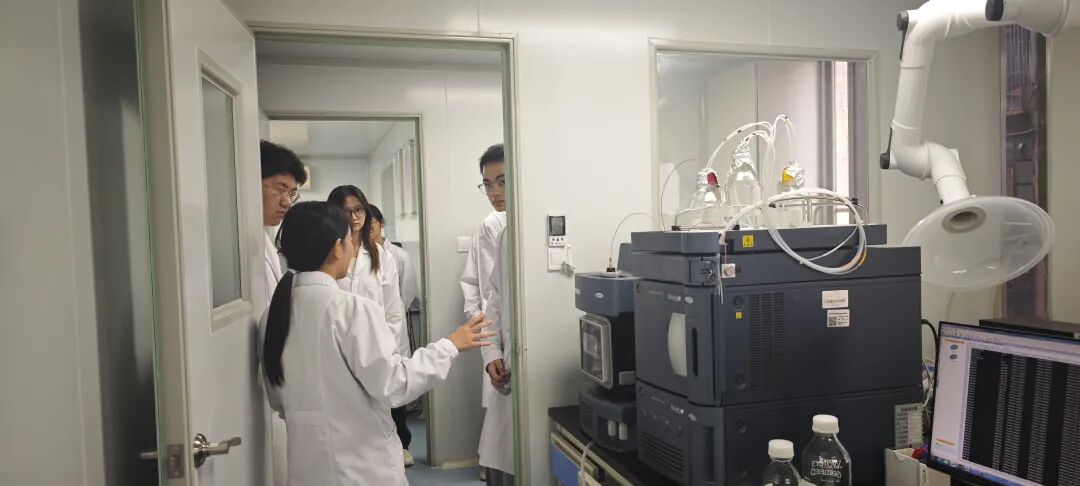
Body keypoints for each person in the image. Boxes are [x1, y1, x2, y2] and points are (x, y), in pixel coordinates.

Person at [258, 201, 492, 486]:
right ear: (336, 248)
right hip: (361, 467)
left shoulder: (273, 315)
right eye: (348, 240)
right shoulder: (350, 309)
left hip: (307, 467)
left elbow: (277, 399)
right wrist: (450, 346)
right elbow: (394, 385)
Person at [326, 185, 415, 467]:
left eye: (358, 210)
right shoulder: (327, 252)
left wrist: (388, 349)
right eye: (346, 211)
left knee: (379, 414)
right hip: (337, 350)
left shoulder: (379, 254)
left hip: (376, 348)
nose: (354, 217)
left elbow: (393, 309)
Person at [259, 140, 307, 486]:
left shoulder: (262, 239)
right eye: (279, 189)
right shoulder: (252, 242)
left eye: (292, 193)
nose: (287, 202)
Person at [469, 144, 515, 485]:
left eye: (502, 181)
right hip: (506, 358)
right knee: (502, 462)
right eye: (487, 184)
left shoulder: (522, 230)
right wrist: (492, 353)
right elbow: (494, 299)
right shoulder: (503, 235)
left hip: (527, 361)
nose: (494, 191)